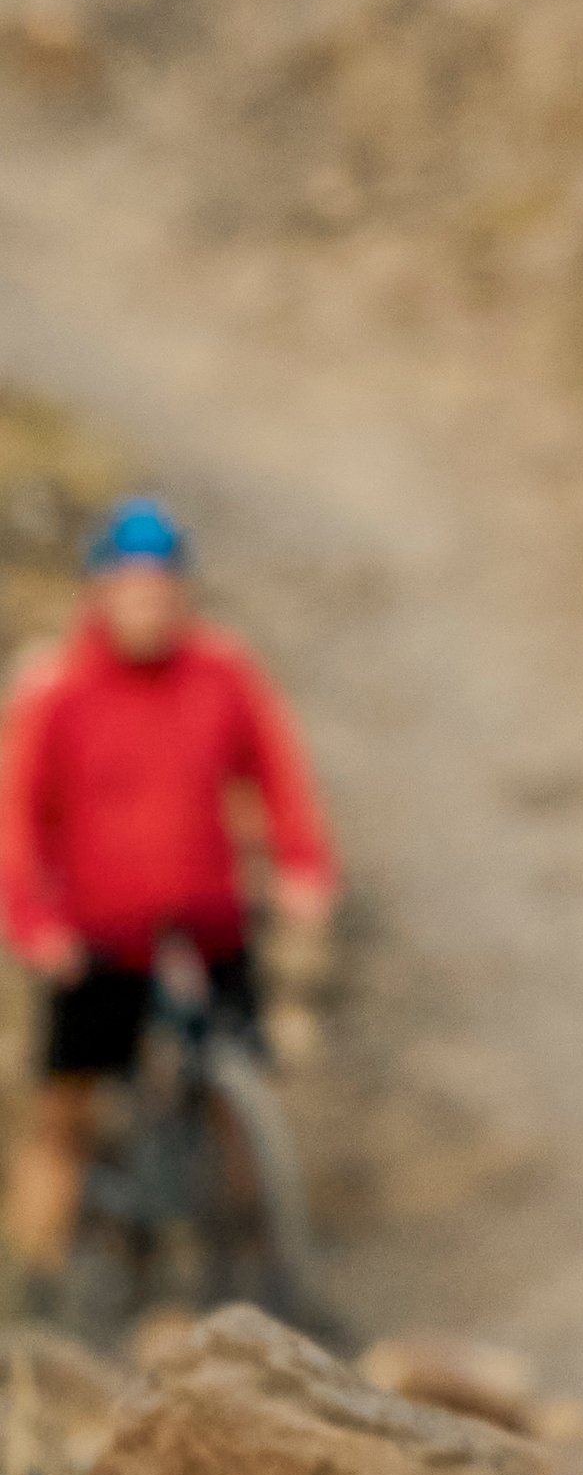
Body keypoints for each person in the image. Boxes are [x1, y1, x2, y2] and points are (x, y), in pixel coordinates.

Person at [1, 503, 340, 1298]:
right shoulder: (56, 688)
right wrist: (34, 923)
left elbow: (279, 773)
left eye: (161, 590)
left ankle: (265, 1265)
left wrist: (303, 866)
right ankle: (32, 1282)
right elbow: (14, 818)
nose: (147, 607)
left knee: (241, 1084)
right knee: (66, 1110)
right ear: (100, 593)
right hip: (97, 932)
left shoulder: (223, 670)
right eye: (131, 590)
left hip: (209, 916)